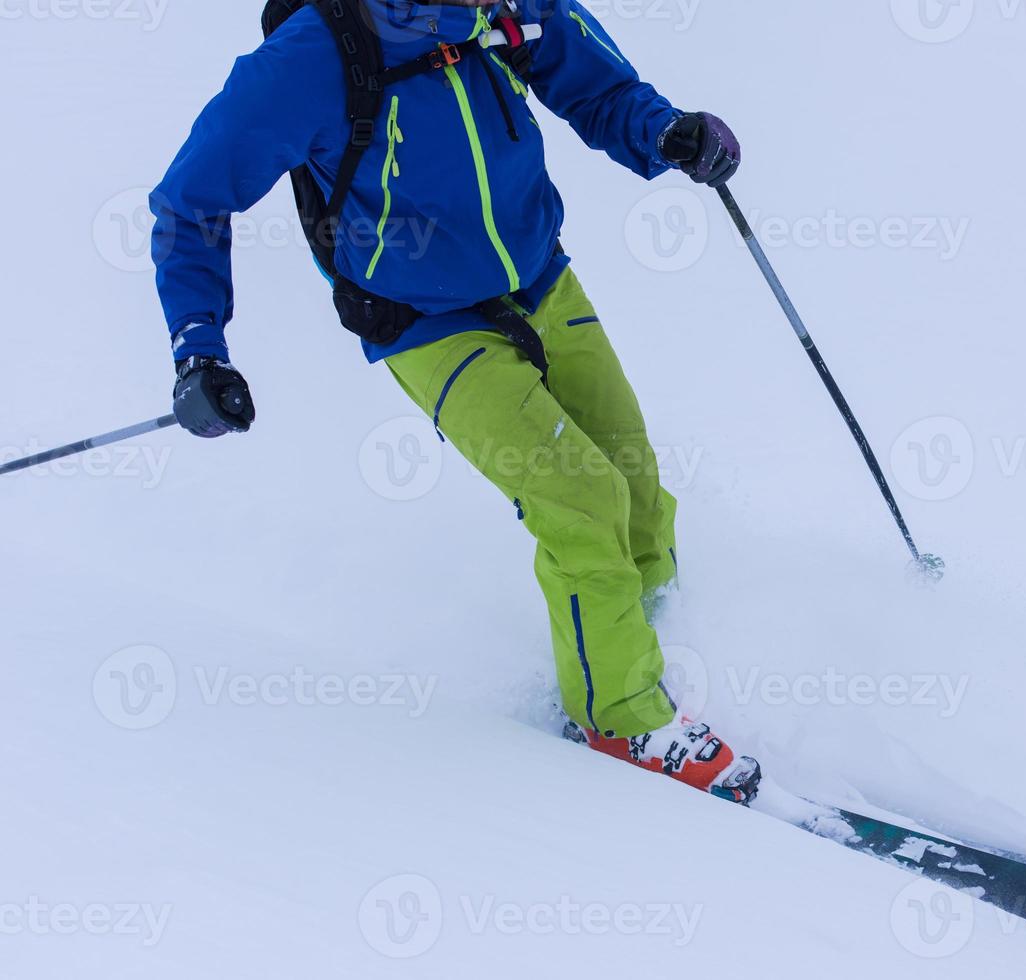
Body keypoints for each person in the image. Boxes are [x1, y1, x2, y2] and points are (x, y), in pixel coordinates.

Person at [151, 0, 760, 803]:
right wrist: (199, 350)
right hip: (424, 321)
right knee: (579, 498)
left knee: (635, 487)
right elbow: (190, 203)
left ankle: (639, 648)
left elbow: (597, 90)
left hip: (541, 278)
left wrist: (665, 132)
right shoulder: (309, 59)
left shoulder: (512, 7)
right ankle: (621, 717)